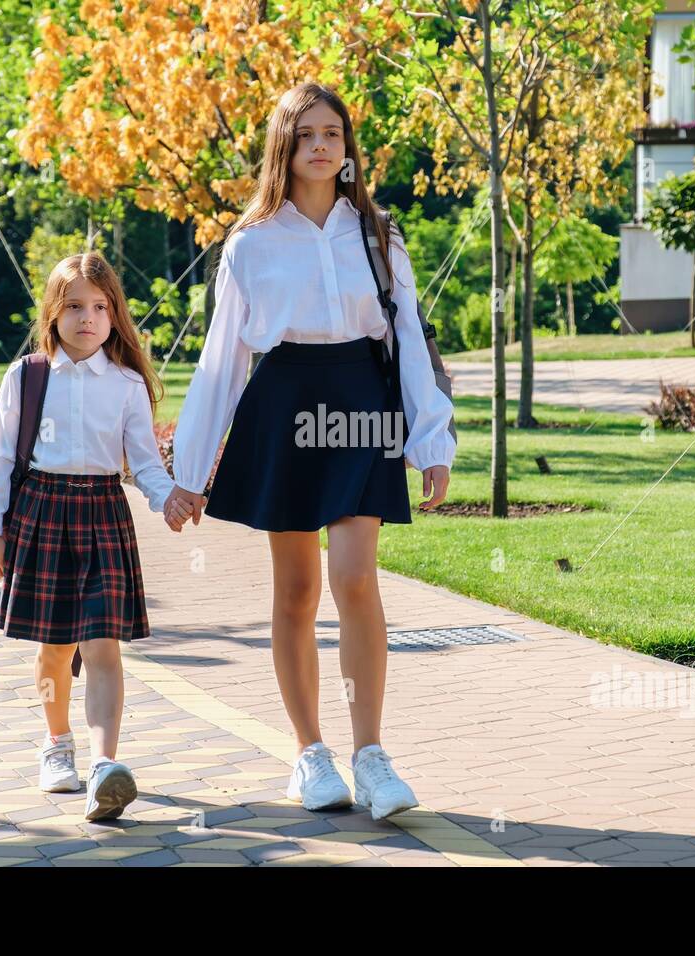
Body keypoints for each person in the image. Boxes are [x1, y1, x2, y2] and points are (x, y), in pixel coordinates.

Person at [165, 82, 455, 820]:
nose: (322, 146)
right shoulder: (252, 243)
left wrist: (432, 437)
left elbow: (409, 342)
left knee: (355, 579)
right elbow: (222, 359)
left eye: (333, 133)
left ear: (348, 147)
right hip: (285, 402)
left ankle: (372, 756)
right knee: (296, 591)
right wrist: (190, 473)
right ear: (284, 148)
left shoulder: (379, 234)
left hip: (362, 401)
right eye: (306, 135)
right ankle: (309, 755)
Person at [0, 251, 195, 822]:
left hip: (102, 514)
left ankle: (104, 766)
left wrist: (167, 497)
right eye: (74, 305)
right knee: (53, 650)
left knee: (102, 646)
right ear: (53, 312)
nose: (88, 318)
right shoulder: (27, 376)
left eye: (100, 307)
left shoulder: (124, 383)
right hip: (42, 513)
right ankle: (57, 745)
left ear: (115, 314)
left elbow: (143, 464)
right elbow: (0, 457)